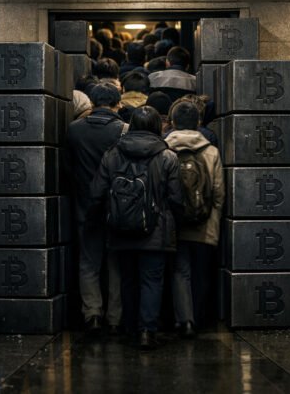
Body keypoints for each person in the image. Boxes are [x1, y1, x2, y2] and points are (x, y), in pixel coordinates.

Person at [90, 106, 182, 350]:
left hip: (120, 228)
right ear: (157, 126)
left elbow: (97, 192)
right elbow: (175, 198)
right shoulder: (168, 157)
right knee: (152, 280)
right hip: (156, 229)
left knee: (128, 279)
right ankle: (147, 331)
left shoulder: (112, 153)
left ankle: (130, 328)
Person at [66, 82, 127, 336]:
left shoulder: (74, 130)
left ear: (91, 103)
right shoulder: (124, 130)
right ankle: (114, 318)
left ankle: (92, 314)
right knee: (115, 264)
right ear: (117, 104)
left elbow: (68, 166)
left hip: (85, 204)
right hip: (117, 207)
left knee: (88, 262)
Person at [164, 101, 224, 338]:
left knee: (180, 271)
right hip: (204, 222)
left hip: (174, 223)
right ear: (198, 123)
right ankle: (198, 318)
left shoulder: (164, 148)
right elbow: (218, 193)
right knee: (201, 272)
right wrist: (213, 223)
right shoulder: (211, 151)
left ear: (172, 122)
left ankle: (185, 320)